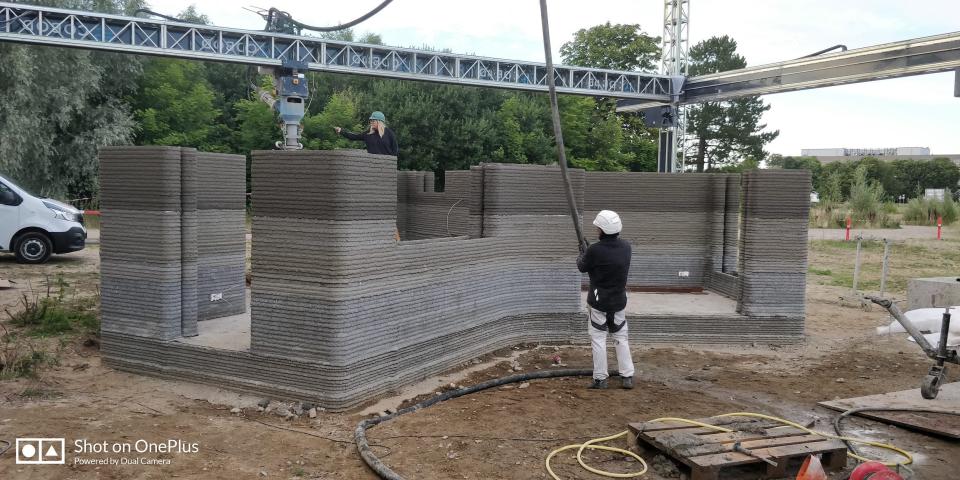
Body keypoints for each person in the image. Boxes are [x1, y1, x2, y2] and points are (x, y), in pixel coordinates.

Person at [576, 210, 635, 390]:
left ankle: (600, 379)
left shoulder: (595, 250)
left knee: (598, 338)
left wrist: (583, 254)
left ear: (602, 229)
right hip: (618, 299)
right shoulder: (626, 247)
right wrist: (589, 253)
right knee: (620, 337)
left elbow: (582, 267)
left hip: (598, 301)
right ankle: (627, 376)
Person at [334, 111, 399, 156]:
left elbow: (395, 150)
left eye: (373, 120)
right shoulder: (368, 134)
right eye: (370, 120)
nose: (371, 122)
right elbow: (354, 136)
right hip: (371, 165)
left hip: (386, 166)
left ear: (379, 122)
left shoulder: (389, 133)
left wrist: (391, 164)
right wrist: (341, 131)